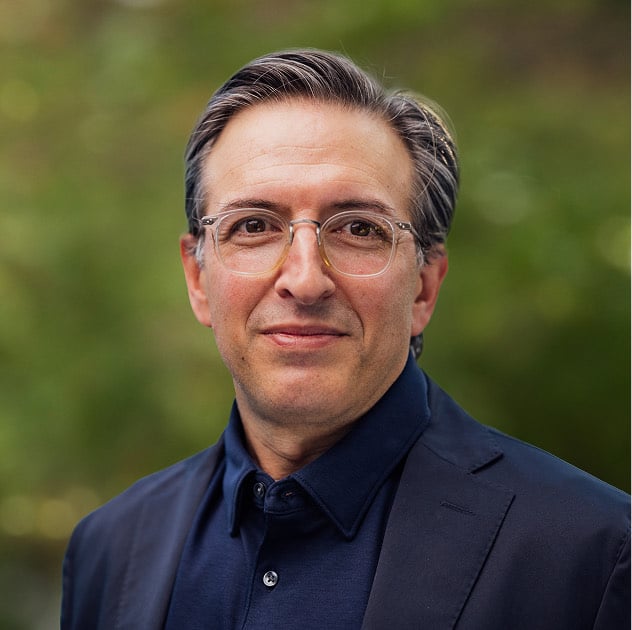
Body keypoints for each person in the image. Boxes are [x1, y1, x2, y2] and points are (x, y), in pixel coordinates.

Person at [61, 49, 630, 629]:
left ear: (424, 287)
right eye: (253, 225)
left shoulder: (596, 556)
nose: (305, 280)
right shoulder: (108, 551)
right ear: (197, 279)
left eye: (359, 228)